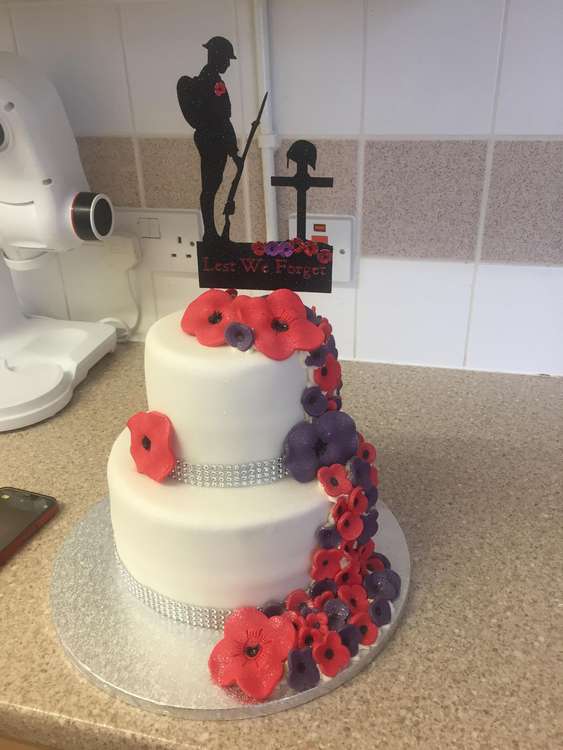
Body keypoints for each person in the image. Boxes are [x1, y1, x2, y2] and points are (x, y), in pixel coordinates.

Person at [178, 36, 242, 242]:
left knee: (210, 186)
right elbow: (223, 117)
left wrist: (233, 152)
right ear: (217, 56)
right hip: (214, 140)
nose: (228, 64)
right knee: (210, 187)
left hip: (209, 138)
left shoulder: (207, 79)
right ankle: (211, 232)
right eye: (227, 59)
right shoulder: (213, 82)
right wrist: (234, 152)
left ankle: (211, 232)